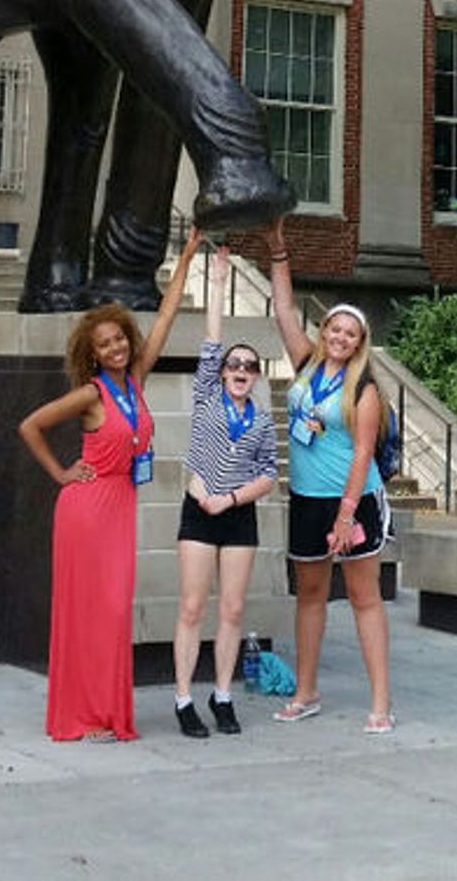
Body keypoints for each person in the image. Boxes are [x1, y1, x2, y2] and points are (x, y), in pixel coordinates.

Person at [18, 226, 203, 741]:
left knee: (115, 611)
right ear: (93, 353)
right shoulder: (91, 394)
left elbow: (165, 317)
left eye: (120, 337)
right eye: (105, 344)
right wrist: (60, 473)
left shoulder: (136, 380)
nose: (116, 347)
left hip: (121, 504)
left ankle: (104, 711)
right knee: (90, 613)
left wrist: (185, 257)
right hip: (86, 508)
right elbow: (30, 425)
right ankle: (84, 715)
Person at [267, 220, 394, 733]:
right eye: (334, 329)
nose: (340, 338)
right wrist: (278, 252)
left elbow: (363, 451)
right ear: (324, 331)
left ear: (360, 342)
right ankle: (306, 690)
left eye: (350, 334)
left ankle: (381, 703)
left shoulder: (362, 386)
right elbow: (281, 310)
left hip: (353, 501)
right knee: (311, 595)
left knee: (364, 598)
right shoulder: (305, 366)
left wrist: (345, 516)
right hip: (306, 498)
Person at [172, 242, 278, 738]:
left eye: (249, 366)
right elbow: (212, 336)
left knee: (232, 608)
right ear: (222, 372)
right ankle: (183, 698)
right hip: (198, 511)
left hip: (236, 514)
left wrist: (231, 498)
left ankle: (223, 695)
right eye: (234, 363)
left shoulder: (261, 417)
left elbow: (270, 474)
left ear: (256, 377)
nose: (240, 369)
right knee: (193, 606)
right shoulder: (208, 392)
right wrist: (217, 280)